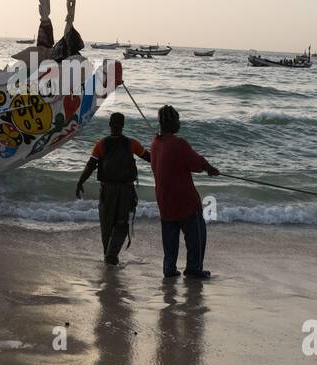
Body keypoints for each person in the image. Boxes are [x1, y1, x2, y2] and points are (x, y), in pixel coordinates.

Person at [149, 105, 219, 279]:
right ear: (171, 122)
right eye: (177, 119)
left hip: (164, 199)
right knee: (196, 236)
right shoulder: (178, 143)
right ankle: (194, 268)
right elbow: (196, 163)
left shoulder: (155, 143)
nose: (179, 123)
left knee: (170, 239)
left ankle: (169, 269)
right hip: (185, 200)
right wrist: (210, 168)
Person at [76, 112, 151, 265]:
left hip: (108, 190)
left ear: (109, 124)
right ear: (123, 125)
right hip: (126, 190)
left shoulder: (101, 144)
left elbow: (91, 165)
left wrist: (80, 181)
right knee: (122, 223)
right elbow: (150, 158)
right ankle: (112, 254)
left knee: (106, 223)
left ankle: (108, 255)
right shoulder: (132, 144)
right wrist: (160, 144)